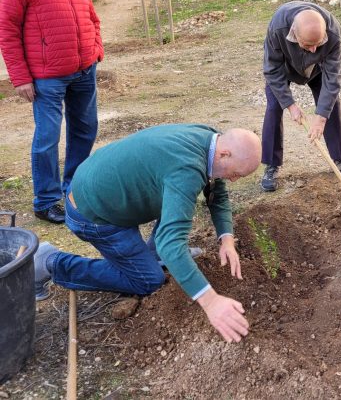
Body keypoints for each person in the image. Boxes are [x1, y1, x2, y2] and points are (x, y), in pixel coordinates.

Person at [32, 124, 261, 343]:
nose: (233, 180)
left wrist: (227, 239)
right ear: (224, 154)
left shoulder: (209, 140)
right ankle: (51, 262)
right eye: (236, 174)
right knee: (149, 280)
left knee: (178, 206)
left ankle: (156, 256)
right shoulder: (187, 169)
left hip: (107, 189)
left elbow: (216, 191)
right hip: (94, 214)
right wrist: (211, 302)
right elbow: (171, 243)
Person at [0, 0, 103, 224]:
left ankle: (74, 191)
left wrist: (95, 50)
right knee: (47, 137)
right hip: (47, 76)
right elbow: (7, 30)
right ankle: (45, 201)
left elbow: (93, 19)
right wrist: (20, 77)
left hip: (84, 71)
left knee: (85, 130)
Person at [261, 1, 341, 191]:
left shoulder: (333, 32)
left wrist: (321, 117)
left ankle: (340, 157)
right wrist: (290, 104)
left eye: (318, 44)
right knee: (274, 107)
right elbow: (272, 69)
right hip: (284, 68)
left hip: (317, 70)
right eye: (308, 44)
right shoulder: (278, 28)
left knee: (330, 104)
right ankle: (272, 164)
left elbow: (333, 77)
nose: (313, 50)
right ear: (294, 34)